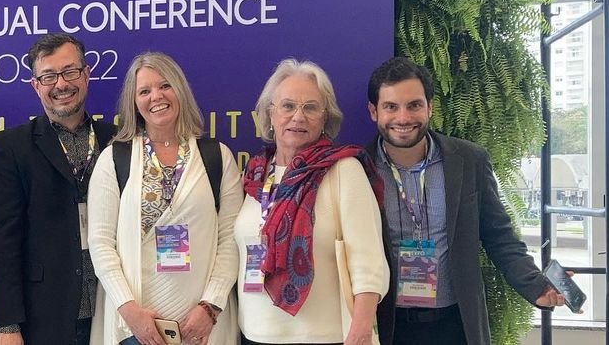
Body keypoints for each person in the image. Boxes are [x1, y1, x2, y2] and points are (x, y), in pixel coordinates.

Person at [366, 57, 567, 345]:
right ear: (374, 111)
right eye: (391, 107)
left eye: (414, 105)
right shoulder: (357, 169)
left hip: (456, 324)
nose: (403, 118)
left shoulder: (469, 160)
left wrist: (536, 285)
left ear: (430, 107)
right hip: (387, 326)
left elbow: (499, 236)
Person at [88, 51, 242, 345]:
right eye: (144, 91)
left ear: (180, 89)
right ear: (134, 102)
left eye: (165, 85)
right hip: (136, 327)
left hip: (202, 327)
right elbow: (101, 243)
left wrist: (210, 306)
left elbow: (229, 241)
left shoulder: (217, 157)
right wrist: (130, 312)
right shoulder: (114, 159)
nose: (156, 96)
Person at [235, 59, 388, 345]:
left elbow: (369, 263)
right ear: (270, 114)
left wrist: (361, 332)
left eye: (310, 107)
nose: (298, 117)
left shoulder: (344, 170)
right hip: (254, 333)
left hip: (325, 337)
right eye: (288, 106)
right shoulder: (254, 173)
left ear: (325, 117)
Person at [0, 33, 117, 345]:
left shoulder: (119, 140)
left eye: (70, 71)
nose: (61, 84)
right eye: (49, 76)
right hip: (45, 314)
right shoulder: (12, 147)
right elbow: (3, 242)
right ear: (36, 85)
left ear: (86, 74)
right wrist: (7, 324)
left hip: (114, 309)